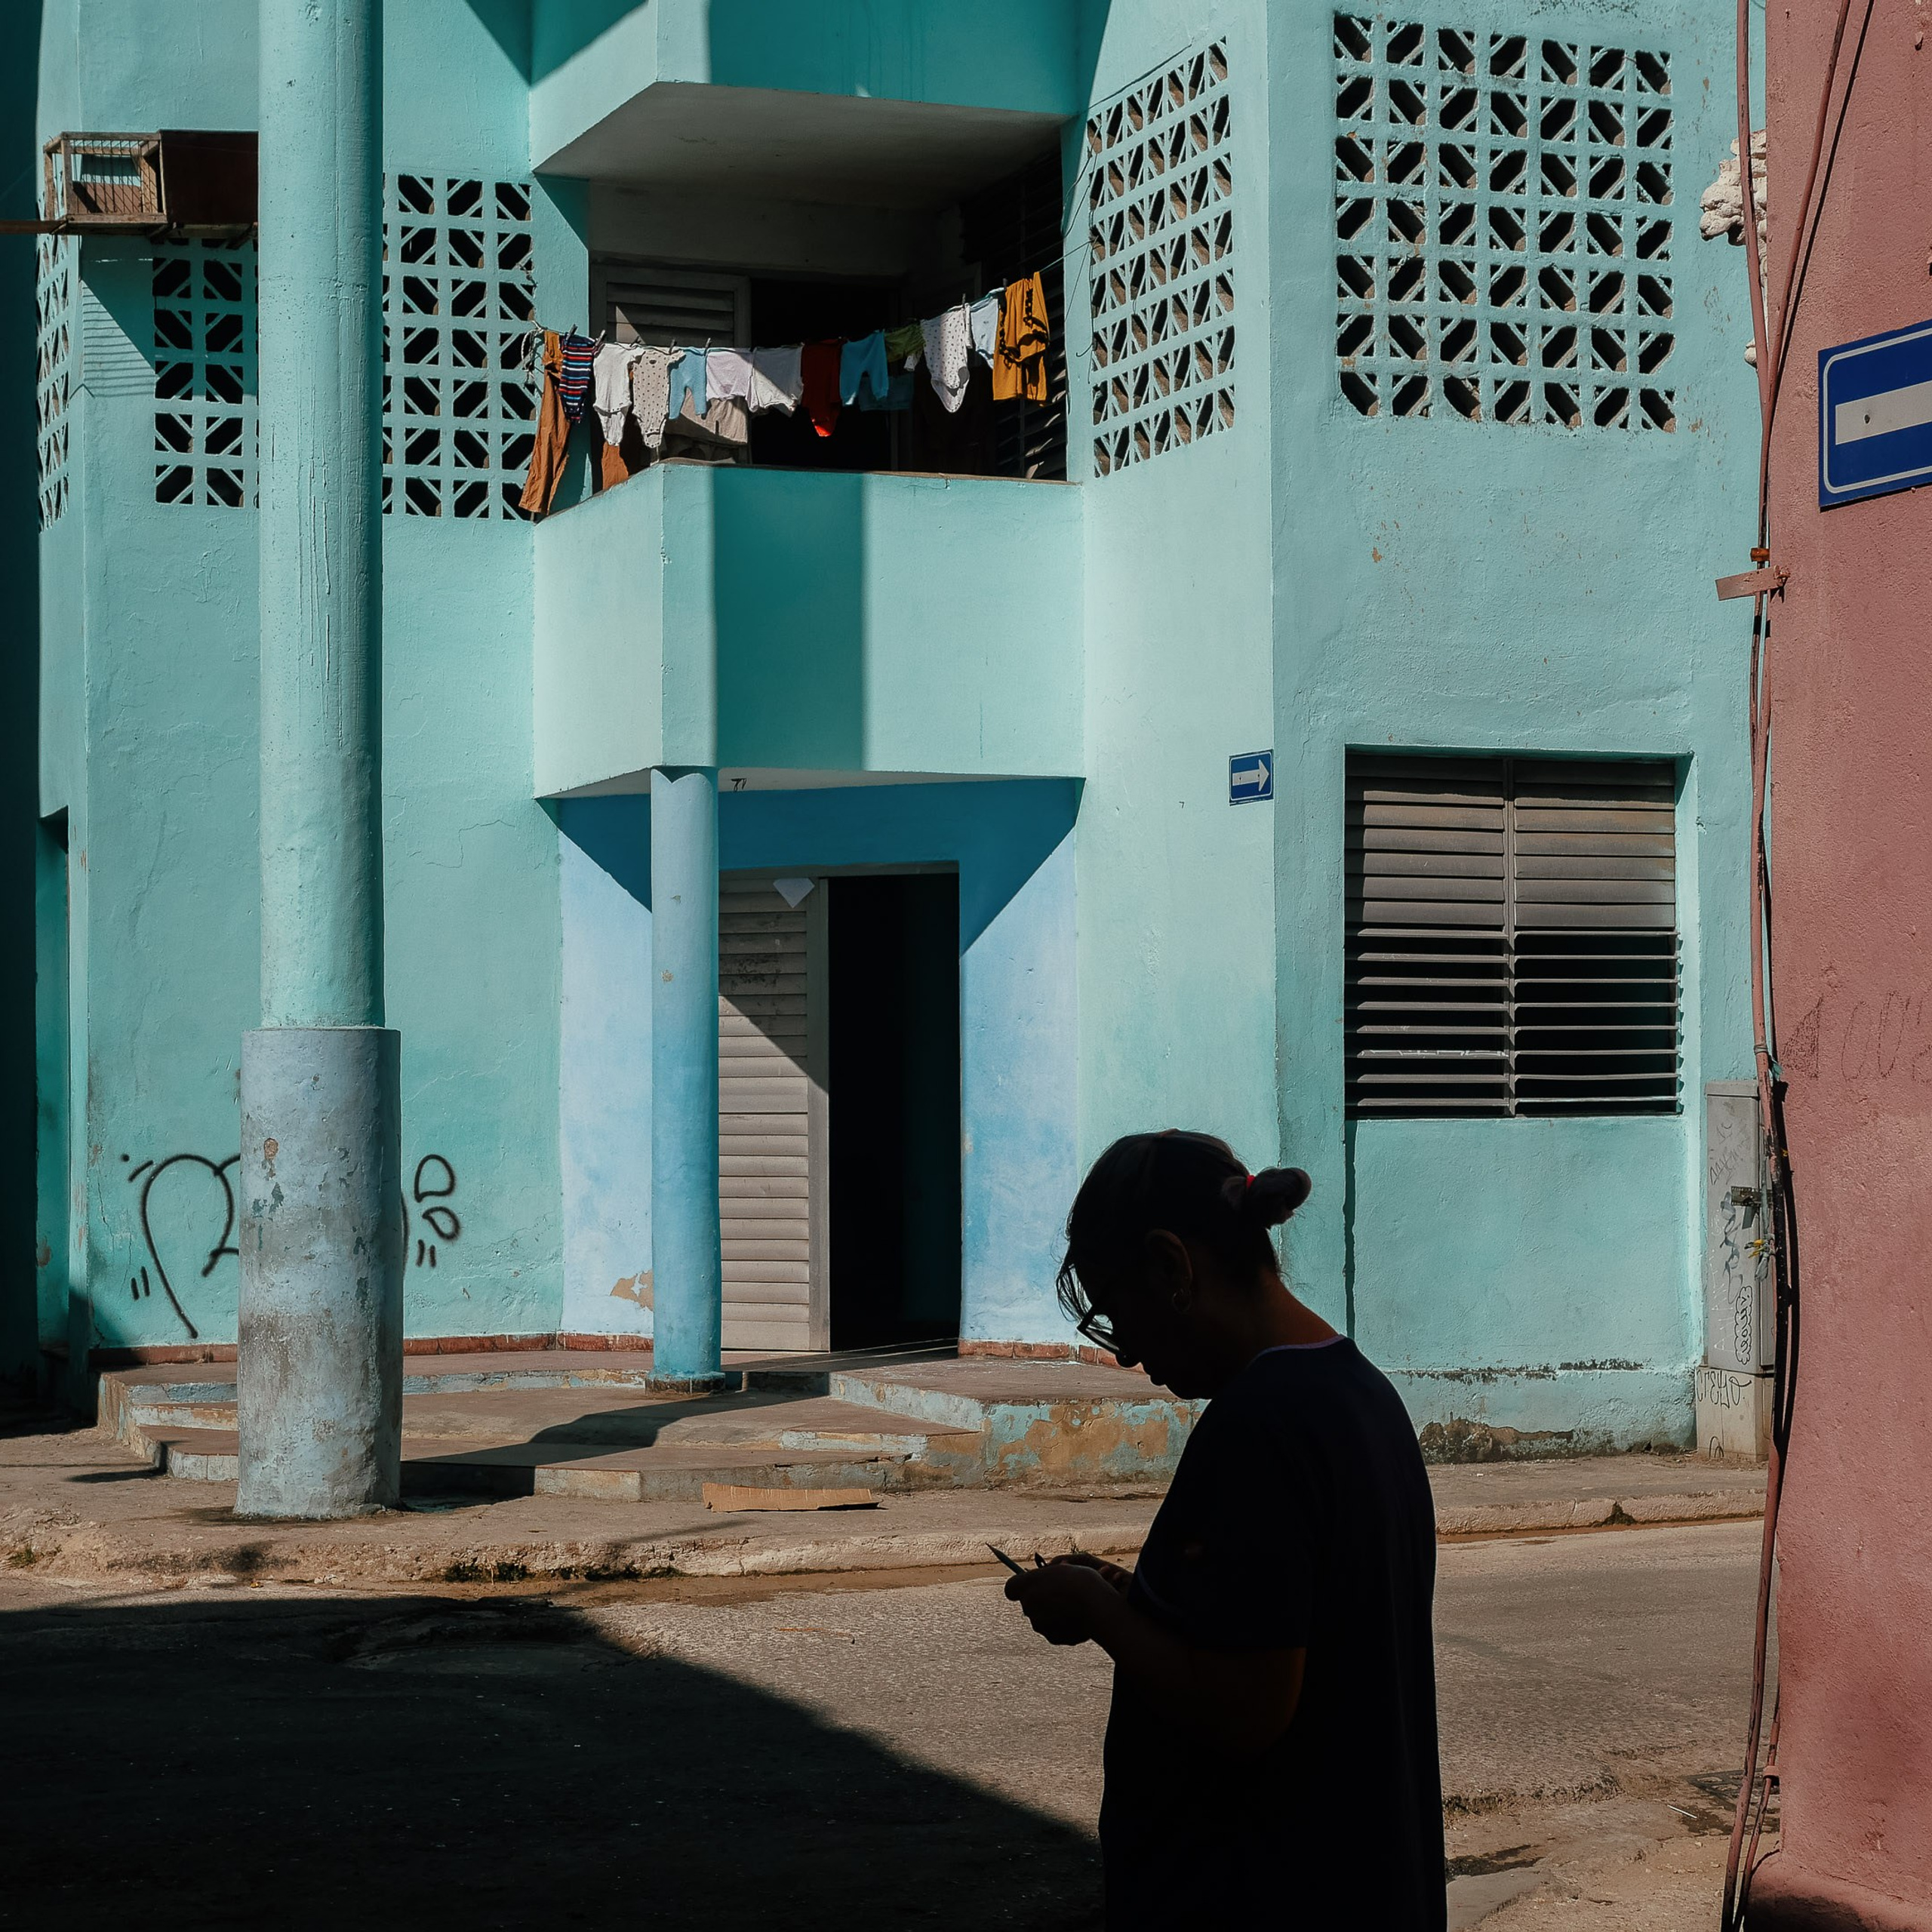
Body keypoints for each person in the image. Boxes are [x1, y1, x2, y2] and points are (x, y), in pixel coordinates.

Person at [1003, 1130, 1444, 1930]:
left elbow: (1245, 1709)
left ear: (1172, 1267)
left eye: (1119, 1313)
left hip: (1270, 1892)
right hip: (1362, 1880)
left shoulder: (1260, 1427)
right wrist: (1144, 1602)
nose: (1133, 1357)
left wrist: (1098, 1614)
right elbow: (1277, 1629)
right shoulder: (1359, 1393)